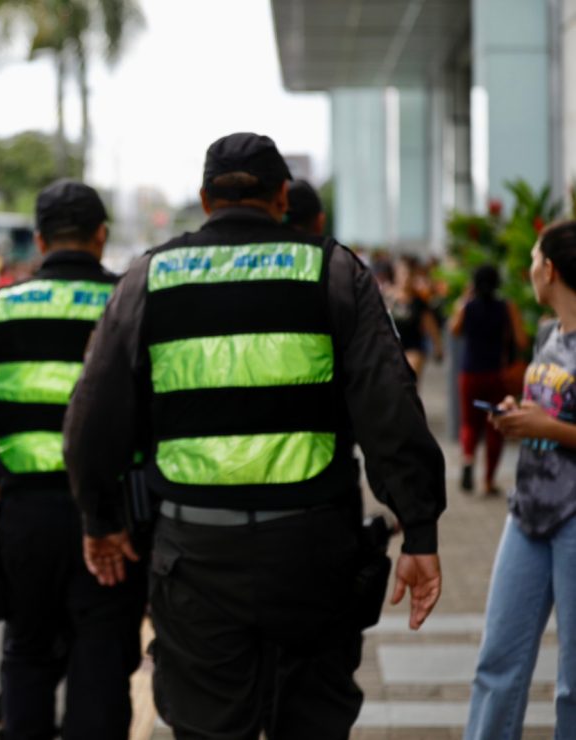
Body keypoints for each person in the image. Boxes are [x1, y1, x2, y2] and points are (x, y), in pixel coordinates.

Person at [63, 133, 446, 738]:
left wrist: (100, 520)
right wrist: (419, 529)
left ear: (204, 198)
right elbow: (390, 408)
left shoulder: (150, 278)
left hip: (195, 559)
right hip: (313, 554)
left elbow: (91, 421)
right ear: (281, 196)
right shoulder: (334, 270)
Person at [0, 180, 147, 740]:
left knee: (27, 655)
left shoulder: (2, 309)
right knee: (101, 668)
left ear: (39, 240)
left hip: (25, 518)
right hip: (115, 525)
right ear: (101, 236)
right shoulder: (132, 305)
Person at [465, 221, 576, 738]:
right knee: (497, 661)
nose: (530, 268)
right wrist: (520, 414)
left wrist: (548, 427)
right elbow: (548, 405)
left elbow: (556, 423)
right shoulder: (549, 334)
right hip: (528, 510)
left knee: (573, 682)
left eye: (534, 258)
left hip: (574, 518)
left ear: (549, 269)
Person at [451, 265, 528, 495]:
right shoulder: (507, 307)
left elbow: (454, 330)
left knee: (469, 422)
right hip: (497, 374)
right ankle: (488, 482)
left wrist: (463, 301)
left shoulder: (467, 307)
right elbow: (522, 341)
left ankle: (467, 458)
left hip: (470, 372)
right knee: (495, 426)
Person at [388, 256, 444, 379]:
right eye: (403, 273)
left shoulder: (419, 302)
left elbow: (431, 325)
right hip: (391, 349)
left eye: (409, 274)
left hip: (414, 347)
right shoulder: (387, 299)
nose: (406, 278)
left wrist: (438, 346)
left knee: (409, 381)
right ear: (396, 275)